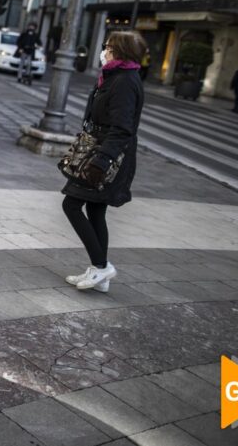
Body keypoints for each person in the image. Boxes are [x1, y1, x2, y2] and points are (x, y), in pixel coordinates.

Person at [61, 31, 146, 292]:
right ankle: (100, 273)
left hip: (106, 157)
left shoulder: (124, 81)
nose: (104, 50)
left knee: (72, 204)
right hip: (101, 152)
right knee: (96, 210)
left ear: (119, 51)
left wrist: (102, 161)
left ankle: (102, 266)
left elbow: (122, 128)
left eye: (107, 47)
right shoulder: (115, 76)